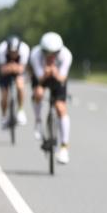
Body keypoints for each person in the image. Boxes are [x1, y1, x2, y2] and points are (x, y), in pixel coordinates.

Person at [29, 32, 73, 164]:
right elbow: (39, 77)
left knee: (60, 107)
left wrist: (54, 72)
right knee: (38, 93)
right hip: (41, 77)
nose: (51, 56)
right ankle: (38, 121)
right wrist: (46, 73)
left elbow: (62, 78)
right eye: (47, 53)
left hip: (58, 78)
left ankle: (64, 147)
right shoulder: (35, 54)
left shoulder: (66, 55)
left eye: (54, 53)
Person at [0, 35, 30, 129]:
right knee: (4, 95)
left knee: (20, 85)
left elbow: (22, 69)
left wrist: (12, 67)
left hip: (17, 70)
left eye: (15, 52)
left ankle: (20, 110)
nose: (12, 54)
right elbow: (3, 70)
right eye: (10, 52)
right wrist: (13, 67)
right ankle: (3, 116)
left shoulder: (24, 49)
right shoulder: (1, 49)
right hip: (5, 70)